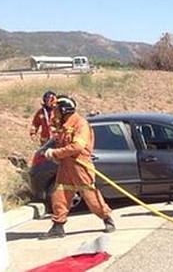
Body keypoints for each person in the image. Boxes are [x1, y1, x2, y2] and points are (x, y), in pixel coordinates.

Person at [40, 96, 114, 239]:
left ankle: (107, 218)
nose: (55, 113)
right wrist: (57, 156)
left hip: (80, 165)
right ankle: (58, 226)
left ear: (64, 109)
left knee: (90, 195)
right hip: (66, 166)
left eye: (57, 110)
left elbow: (77, 146)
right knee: (59, 194)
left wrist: (55, 153)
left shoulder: (81, 124)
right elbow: (61, 143)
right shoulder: (64, 125)